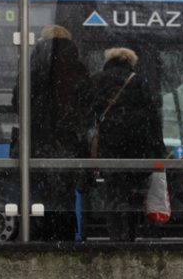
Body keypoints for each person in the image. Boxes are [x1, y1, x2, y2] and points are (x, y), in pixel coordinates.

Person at [10, 24, 90, 241]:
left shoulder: (30, 68)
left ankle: (38, 239)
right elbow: (86, 109)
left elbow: (17, 104)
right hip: (67, 146)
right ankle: (63, 240)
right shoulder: (79, 69)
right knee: (63, 197)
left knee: (37, 196)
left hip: (36, 144)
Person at [83, 47, 166, 241]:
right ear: (130, 62)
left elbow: (87, 113)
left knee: (114, 193)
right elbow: (153, 119)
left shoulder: (97, 80)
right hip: (137, 149)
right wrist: (157, 150)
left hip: (110, 149)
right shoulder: (139, 82)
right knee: (135, 195)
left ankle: (115, 237)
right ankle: (131, 236)